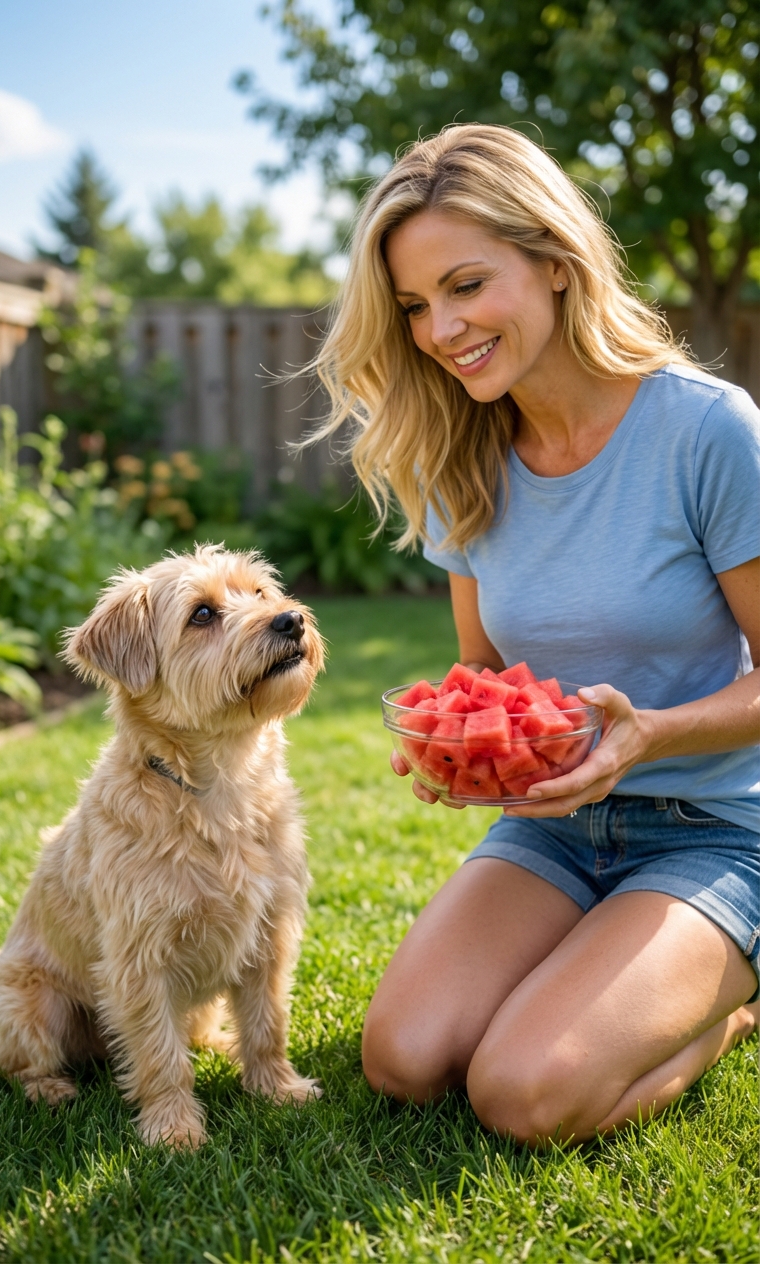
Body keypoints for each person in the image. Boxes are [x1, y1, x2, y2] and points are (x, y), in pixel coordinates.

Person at [308, 124, 760, 1146]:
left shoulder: (704, 431)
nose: (441, 329)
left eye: (466, 285)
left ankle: (730, 1009)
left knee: (517, 1093)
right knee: (406, 1062)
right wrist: (454, 743)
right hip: (553, 824)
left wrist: (642, 733)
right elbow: (481, 669)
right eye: (417, 307)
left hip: (719, 826)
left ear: (556, 265)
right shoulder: (458, 453)